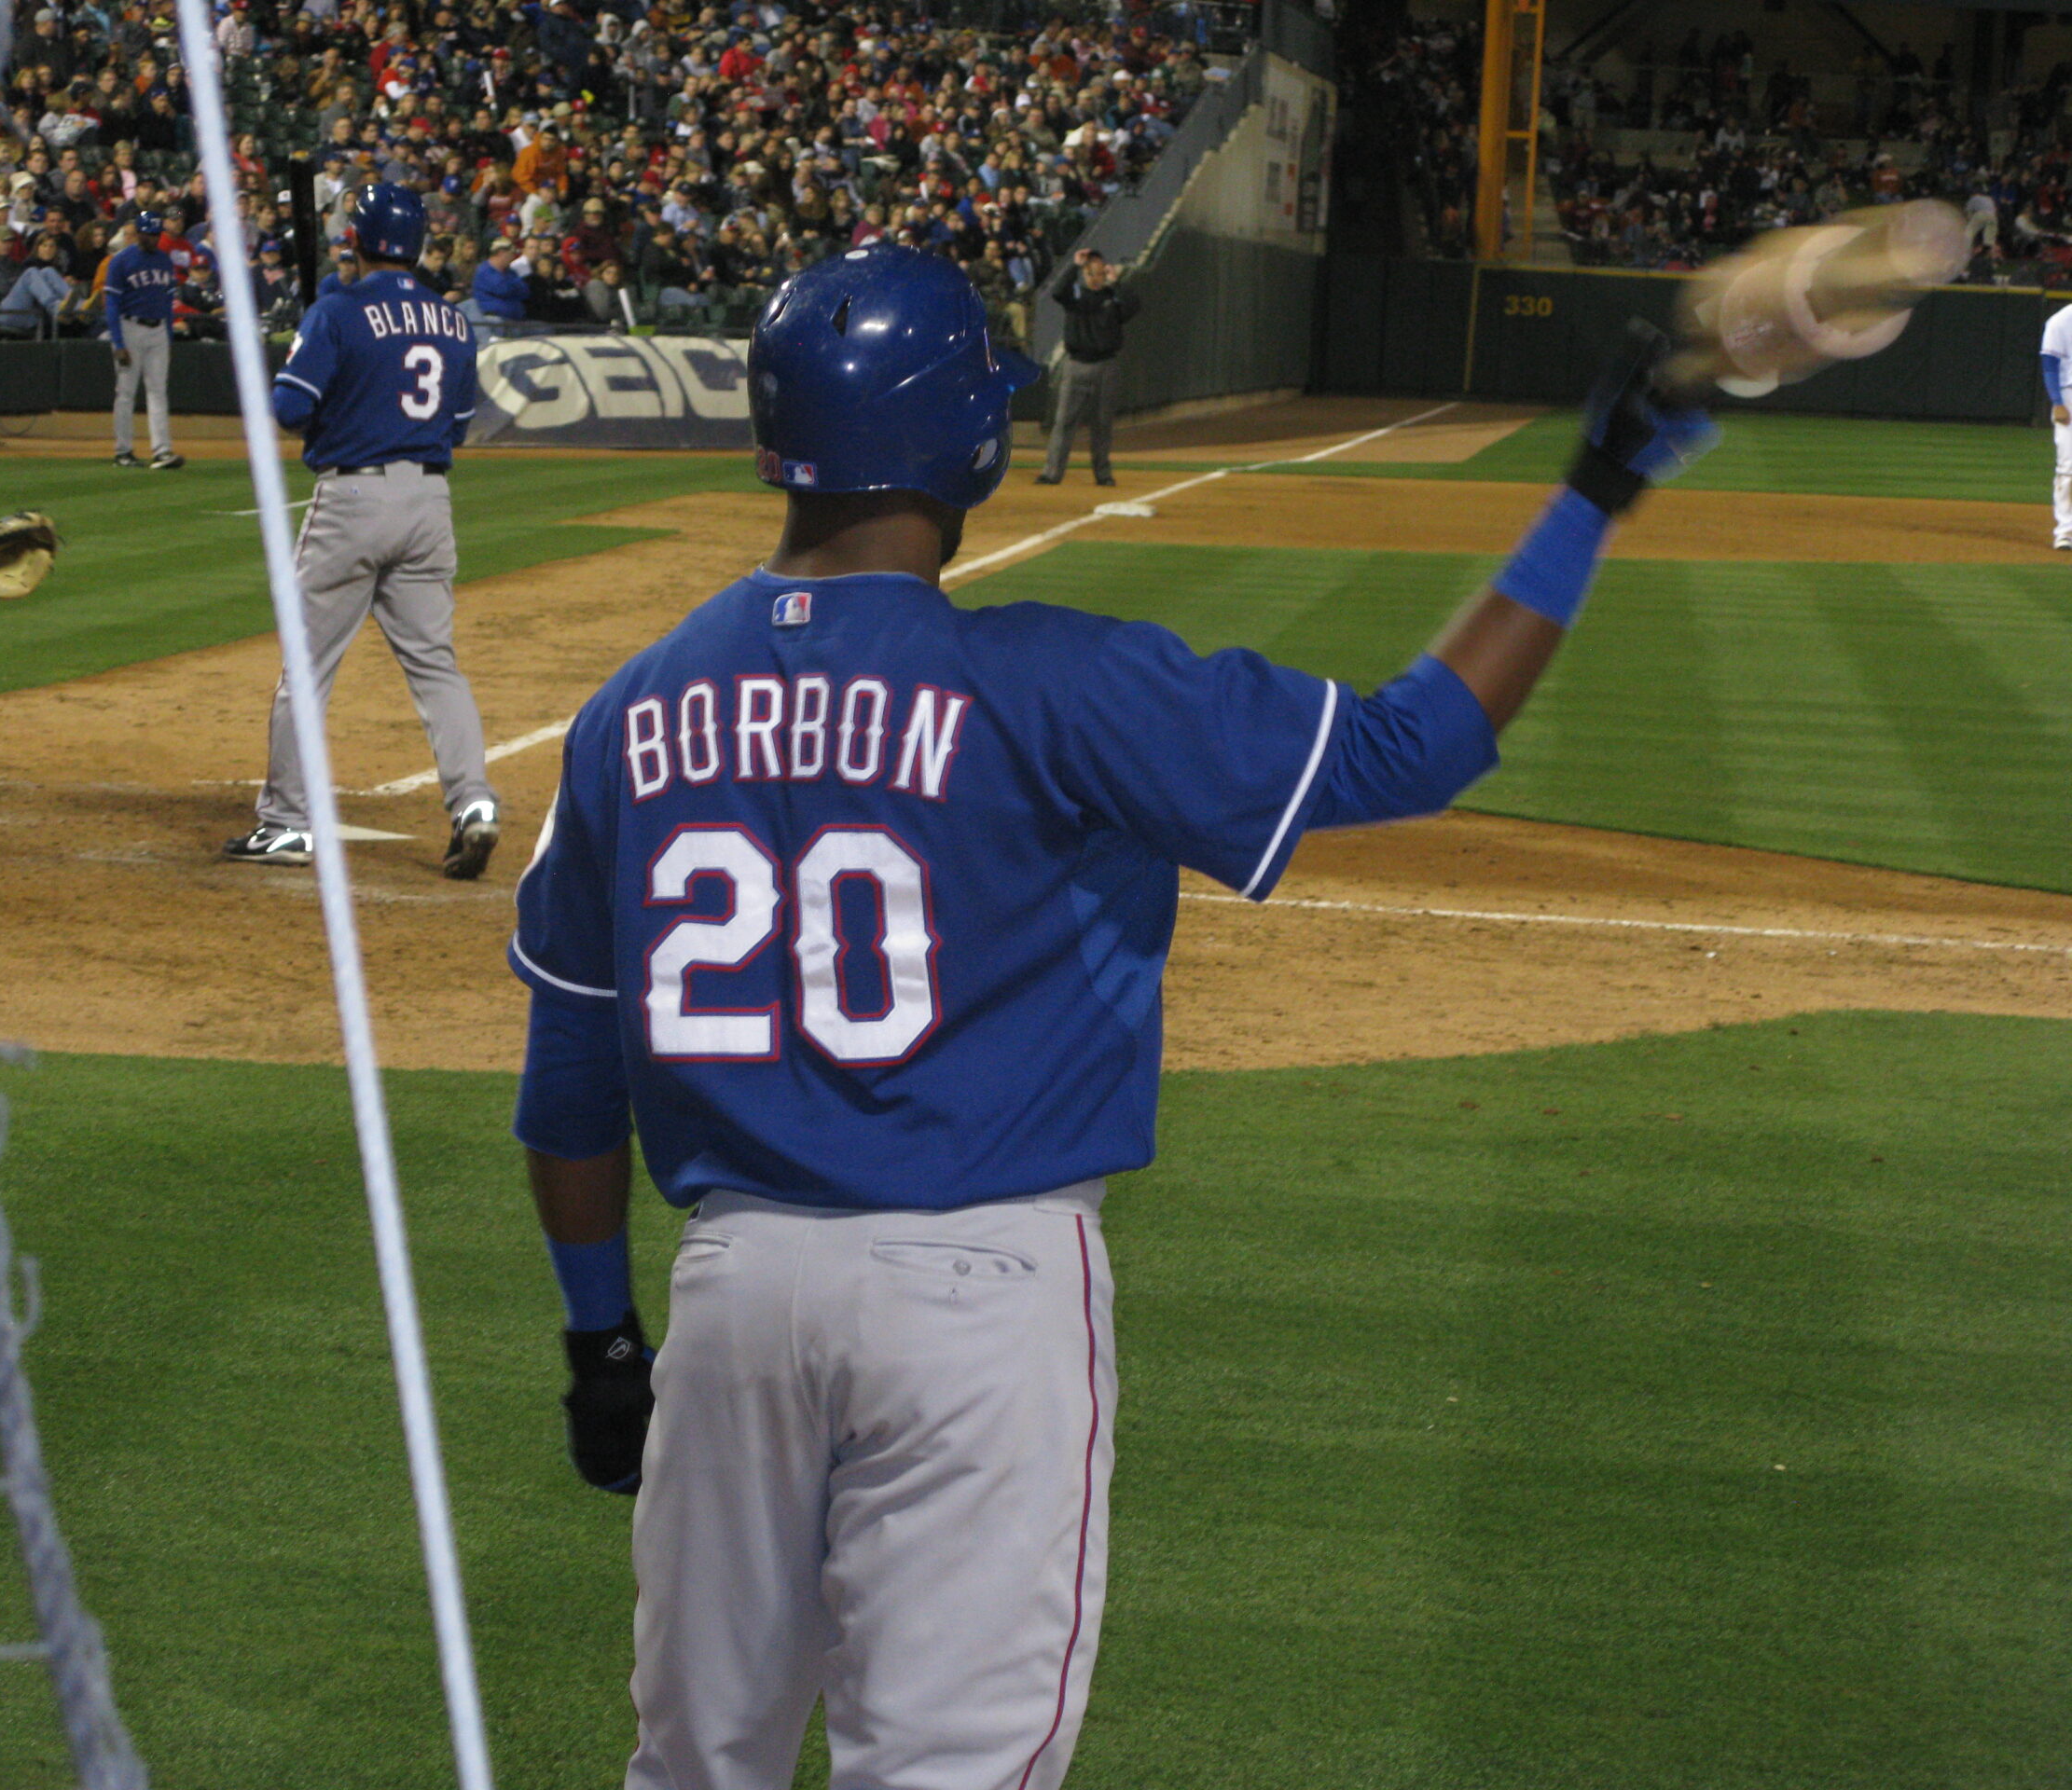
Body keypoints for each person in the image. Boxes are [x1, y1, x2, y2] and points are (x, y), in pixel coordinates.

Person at [504, 250, 1716, 1787]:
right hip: (977, 1299)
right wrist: (1596, 489)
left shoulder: (630, 714)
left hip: (732, 1300)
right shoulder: (1061, 684)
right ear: (971, 445)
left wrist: (604, 1338)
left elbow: (567, 1080)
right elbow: (1419, 745)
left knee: (691, 1768)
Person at [224, 182, 502, 881]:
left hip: (352, 500)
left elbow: (289, 408)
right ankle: (474, 805)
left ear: (358, 239)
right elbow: (456, 428)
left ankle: (287, 823)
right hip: (430, 503)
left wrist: (315, 340)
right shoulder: (454, 320)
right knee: (435, 665)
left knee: (306, 671)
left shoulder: (338, 310)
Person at [1038, 247, 1140, 487]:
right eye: (1091, 273)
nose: (1096, 278)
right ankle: (1052, 473)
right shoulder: (1075, 296)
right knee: (1064, 423)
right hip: (1076, 365)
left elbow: (1133, 306)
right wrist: (1074, 265)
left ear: (1106, 273)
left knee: (1103, 425)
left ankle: (1103, 475)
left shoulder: (1112, 298)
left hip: (1106, 365)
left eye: (1099, 273)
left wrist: (1117, 282)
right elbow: (1057, 292)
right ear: (1084, 273)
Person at [104, 211, 184, 469]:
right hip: (130, 327)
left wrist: (169, 336)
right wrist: (118, 342)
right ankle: (123, 451)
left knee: (158, 391)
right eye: (148, 234)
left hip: (158, 329)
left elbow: (168, 303)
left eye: (155, 234)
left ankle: (162, 451)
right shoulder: (121, 261)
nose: (152, 238)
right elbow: (112, 304)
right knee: (126, 393)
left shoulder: (164, 260)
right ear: (137, 233)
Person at [0, 232, 74, 337]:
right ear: (37, 248)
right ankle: (56, 307)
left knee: (49, 271)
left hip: (32, 317)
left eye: (51, 246)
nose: (48, 249)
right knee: (31, 272)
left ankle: (80, 307)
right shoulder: (27, 265)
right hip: (12, 309)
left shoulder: (55, 269)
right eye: (44, 246)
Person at [2043, 298, 2072, 548]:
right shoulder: (2061, 321)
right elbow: (2050, 365)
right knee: (2069, 466)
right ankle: (2066, 530)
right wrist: (2057, 402)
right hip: (2069, 395)